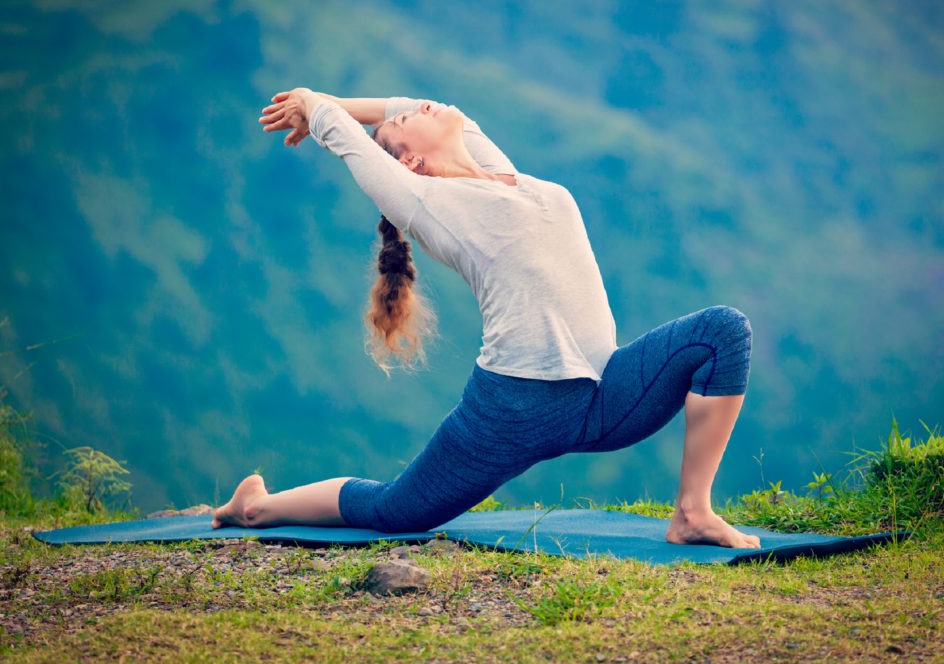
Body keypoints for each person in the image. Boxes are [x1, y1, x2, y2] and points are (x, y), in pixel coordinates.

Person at [211, 87, 760, 549]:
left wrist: (336, 99)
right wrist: (312, 103)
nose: (424, 107)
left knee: (723, 332)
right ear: (409, 165)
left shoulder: (501, 175)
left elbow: (417, 105)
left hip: (603, 394)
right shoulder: (425, 201)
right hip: (515, 407)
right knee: (398, 509)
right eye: (409, 120)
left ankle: (692, 512)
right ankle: (256, 508)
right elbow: (351, 144)